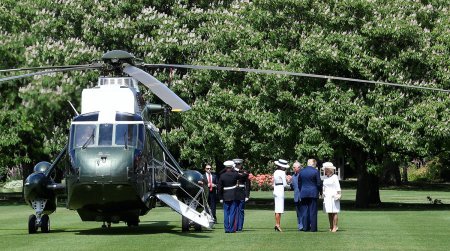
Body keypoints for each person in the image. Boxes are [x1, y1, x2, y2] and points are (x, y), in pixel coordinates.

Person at [298, 158, 322, 232]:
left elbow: (299, 183)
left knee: (305, 210)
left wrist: (301, 190)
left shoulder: (302, 172)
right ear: (313, 164)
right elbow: (318, 183)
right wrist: (320, 191)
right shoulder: (316, 171)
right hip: (313, 193)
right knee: (313, 211)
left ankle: (305, 227)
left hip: (304, 192)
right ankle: (313, 228)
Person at [218, 160, 241, 233]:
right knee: (232, 213)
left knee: (226, 213)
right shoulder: (235, 174)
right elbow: (243, 176)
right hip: (233, 195)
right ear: (232, 167)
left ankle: (226, 229)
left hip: (225, 195)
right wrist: (236, 169)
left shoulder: (222, 176)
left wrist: (220, 197)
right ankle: (231, 229)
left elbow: (219, 188)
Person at [322, 162, 341, 232]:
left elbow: (338, 187)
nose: (324, 171)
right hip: (327, 196)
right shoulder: (325, 178)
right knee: (329, 212)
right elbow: (324, 187)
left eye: (325, 169)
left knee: (334, 212)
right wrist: (323, 193)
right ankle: (331, 226)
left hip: (333, 196)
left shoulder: (335, 177)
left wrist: (339, 194)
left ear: (329, 169)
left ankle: (335, 227)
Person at [233, 158, 250, 232]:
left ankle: (240, 227)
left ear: (241, 165)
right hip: (233, 192)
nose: (237, 166)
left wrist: (247, 195)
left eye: (238, 164)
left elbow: (248, 185)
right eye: (236, 164)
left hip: (241, 192)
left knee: (241, 211)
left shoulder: (245, 172)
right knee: (234, 210)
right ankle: (234, 226)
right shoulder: (232, 172)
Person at [273, 159, 289, 232]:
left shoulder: (275, 172)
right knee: (279, 209)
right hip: (280, 190)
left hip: (276, 189)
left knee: (277, 208)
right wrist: (289, 184)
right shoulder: (282, 172)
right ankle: (278, 224)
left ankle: (277, 224)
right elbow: (285, 184)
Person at [290, 161, 303, 231]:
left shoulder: (303, 175)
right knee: (298, 213)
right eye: (293, 167)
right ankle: (300, 226)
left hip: (302, 196)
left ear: (299, 168)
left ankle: (305, 225)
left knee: (304, 212)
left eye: (295, 167)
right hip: (296, 197)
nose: (294, 168)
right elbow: (292, 187)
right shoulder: (293, 176)